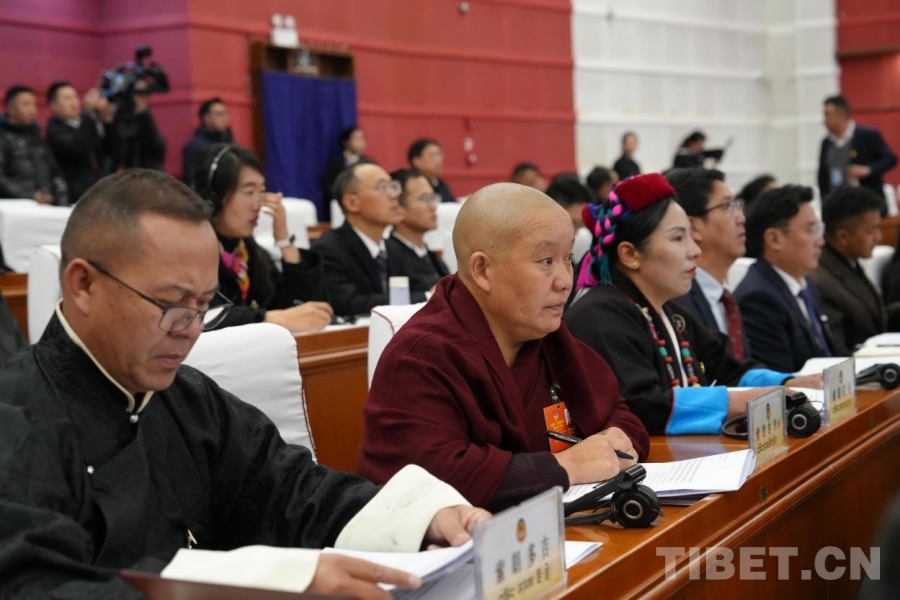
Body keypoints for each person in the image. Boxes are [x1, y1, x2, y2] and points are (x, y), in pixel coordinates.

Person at [0, 168, 489, 598]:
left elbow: (293, 491)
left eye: (202, 306)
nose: (189, 330)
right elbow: (38, 587)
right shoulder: (15, 418)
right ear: (83, 285)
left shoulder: (190, 398)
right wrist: (260, 581)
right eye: (170, 304)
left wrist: (424, 518)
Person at [357, 182, 649, 511]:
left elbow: (617, 412)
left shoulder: (545, 335)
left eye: (568, 258)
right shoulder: (422, 357)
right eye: (546, 261)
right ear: (483, 270)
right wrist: (567, 467)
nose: (565, 280)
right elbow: (432, 480)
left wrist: (613, 441)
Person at [563, 174, 819, 436]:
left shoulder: (666, 310)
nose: (695, 250)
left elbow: (728, 367)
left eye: (690, 237)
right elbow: (640, 405)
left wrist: (790, 383)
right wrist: (737, 402)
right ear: (630, 254)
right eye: (678, 238)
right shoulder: (600, 316)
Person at [192, 144, 333, 331]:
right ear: (213, 198)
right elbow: (200, 317)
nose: (258, 204)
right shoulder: (191, 256)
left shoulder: (252, 254)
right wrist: (268, 318)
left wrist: (285, 241)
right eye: (249, 192)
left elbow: (305, 310)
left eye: (262, 191)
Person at [735, 185, 836, 372]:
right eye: (811, 230)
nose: (820, 241)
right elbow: (782, 378)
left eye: (819, 230)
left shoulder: (805, 283)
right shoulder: (758, 299)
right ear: (774, 239)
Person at [312, 162, 425, 316]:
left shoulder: (394, 249)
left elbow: (417, 287)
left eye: (393, 186)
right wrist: (426, 297)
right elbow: (348, 304)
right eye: (383, 187)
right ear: (352, 202)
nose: (394, 195)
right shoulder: (328, 249)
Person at [668, 168, 751, 360]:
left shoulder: (726, 298)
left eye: (738, 205)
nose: (741, 218)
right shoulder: (677, 302)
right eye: (727, 206)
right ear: (693, 227)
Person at [808, 186, 887, 355]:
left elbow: (873, 316)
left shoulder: (848, 261)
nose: (878, 237)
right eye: (871, 231)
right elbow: (838, 353)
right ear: (843, 237)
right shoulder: (822, 281)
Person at [817, 95, 897, 215]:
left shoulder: (867, 135)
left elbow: (890, 158)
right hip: (839, 209)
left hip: (868, 205)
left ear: (841, 114)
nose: (824, 121)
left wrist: (868, 170)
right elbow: (822, 177)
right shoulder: (826, 143)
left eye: (827, 115)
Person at [46, 82, 114, 203]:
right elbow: (76, 149)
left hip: (98, 188)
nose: (74, 102)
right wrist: (89, 113)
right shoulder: (54, 129)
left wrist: (108, 120)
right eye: (67, 98)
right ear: (54, 105)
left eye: (75, 97)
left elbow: (109, 150)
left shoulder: (87, 123)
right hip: (73, 194)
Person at [385, 168, 449, 296]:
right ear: (398, 207)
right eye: (425, 199)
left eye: (433, 197)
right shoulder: (388, 257)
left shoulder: (429, 254)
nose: (434, 206)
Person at [0, 85, 66, 204]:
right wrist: (29, 195)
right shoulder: (3, 137)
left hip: (44, 204)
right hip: (13, 206)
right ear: (10, 108)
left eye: (34, 105)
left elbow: (54, 172)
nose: (32, 110)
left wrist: (57, 196)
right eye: (26, 104)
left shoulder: (38, 137)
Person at [110, 81, 166, 171]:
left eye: (143, 92)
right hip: (128, 171)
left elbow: (156, 145)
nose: (140, 96)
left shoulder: (145, 117)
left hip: (148, 169)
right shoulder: (121, 116)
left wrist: (142, 110)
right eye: (137, 92)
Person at [182, 97, 233, 186]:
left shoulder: (232, 144)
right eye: (219, 114)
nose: (224, 118)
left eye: (225, 113)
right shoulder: (195, 148)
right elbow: (191, 181)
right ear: (206, 118)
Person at [321, 126, 372, 201]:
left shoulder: (369, 163)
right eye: (356, 139)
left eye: (362, 138)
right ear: (346, 142)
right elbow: (328, 184)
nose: (361, 142)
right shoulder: (335, 162)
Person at [408, 138, 455, 203]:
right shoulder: (409, 186)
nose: (439, 160)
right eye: (433, 155)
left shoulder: (441, 185)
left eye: (439, 155)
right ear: (417, 161)